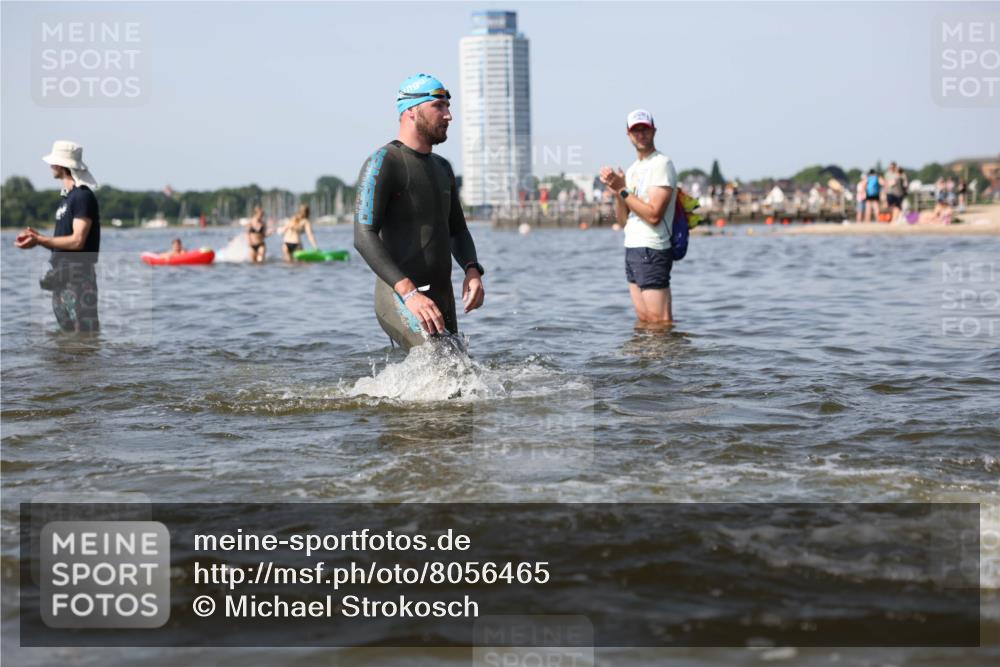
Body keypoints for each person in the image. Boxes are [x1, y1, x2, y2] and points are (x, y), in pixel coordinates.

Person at [353, 73, 485, 351]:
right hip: (400, 296)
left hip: (441, 296)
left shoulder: (443, 167)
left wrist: (472, 270)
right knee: (441, 363)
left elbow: (457, 230)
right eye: (439, 106)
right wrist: (409, 293)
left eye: (449, 107)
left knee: (459, 376)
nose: (448, 115)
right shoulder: (384, 162)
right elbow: (363, 236)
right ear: (411, 111)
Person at [599, 109, 677, 324]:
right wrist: (618, 193)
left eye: (645, 129)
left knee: (660, 321)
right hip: (633, 247)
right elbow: (624, 221)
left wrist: (623, 190)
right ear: (628, 135)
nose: (641, 134)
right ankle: (646, 359)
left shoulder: (661, 163)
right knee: (644, 320)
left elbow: (654, 215)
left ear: (654, 131)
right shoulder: (633, 169)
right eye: (636, 130)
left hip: (652, 247)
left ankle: (671, 358)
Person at [14, 140, 101, 332]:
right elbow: (64, 241)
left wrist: (40, 240)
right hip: (61, 277)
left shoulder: (82, 196)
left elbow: (78, 241)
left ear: (60, 165)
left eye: (52, 162)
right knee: (66, 341)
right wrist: (37, 238)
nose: (49, 166)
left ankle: (91, 363)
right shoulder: (66, 199)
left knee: (84, 337)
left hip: (78, 277)